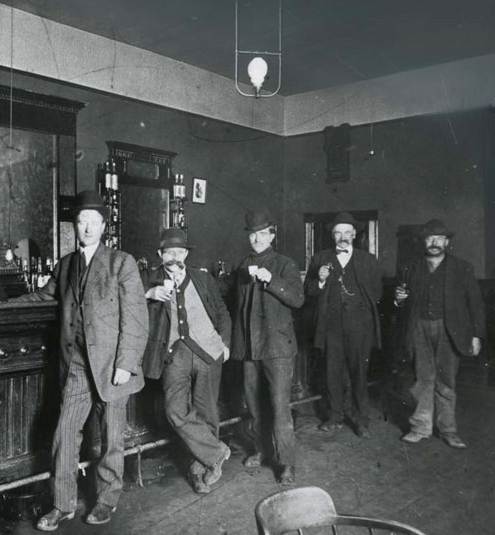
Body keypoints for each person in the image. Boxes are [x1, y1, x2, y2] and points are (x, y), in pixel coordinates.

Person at [17, 190, 148, 530]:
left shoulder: (122, 262)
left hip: (112, 364)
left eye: (94, 221)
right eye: (81, 221)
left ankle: (106, 500)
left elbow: (136, 318)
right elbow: (42, 297)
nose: (87, 227)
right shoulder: (66, 265)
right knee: (64, 431)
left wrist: (126, 363)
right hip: (76, 363)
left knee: (111, 436)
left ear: (104, 226)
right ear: (74, 226)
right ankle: (62, 504)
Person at [141, 228, 232, 494]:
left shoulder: (202, 279)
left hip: (208, 351)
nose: (174, 257)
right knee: (175, 411)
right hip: (173, 355)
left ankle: (201, 472)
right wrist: (149, 294)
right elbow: (123, 292)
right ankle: (216, 453)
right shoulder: (148, 278)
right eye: (169, 252)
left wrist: (225, 343)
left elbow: (222, 311)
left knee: (207, 413)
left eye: (179, 252)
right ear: (160, 254)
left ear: (186, 255)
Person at [395, 219, 485, 448]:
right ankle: (420, 427)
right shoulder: (410, 267)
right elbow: (402, 300)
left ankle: (448, 430)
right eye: (429, 238)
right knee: (422, 378)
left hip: (449, 329)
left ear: (447, 241)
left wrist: (476, 335)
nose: (434, 242)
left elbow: (475, 303)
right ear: (423, 241)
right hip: (419, 328)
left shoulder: (462, 268)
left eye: (439, 238)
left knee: (446, 380)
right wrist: (398, 299)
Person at [230, 210, 305, 487]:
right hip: (250, 348)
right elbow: (236, 306)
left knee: (279, 407)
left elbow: (297, 299)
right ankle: (263, 451)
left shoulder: (284, 264)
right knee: (254, 405)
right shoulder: (242, 265)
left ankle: (287, 464)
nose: (257, 238)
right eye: (252, 233)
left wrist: (270, 280)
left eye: (262, 233)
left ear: (272, 235)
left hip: (278, 348)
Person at [304, 212, 382, 439]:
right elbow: (308, 290)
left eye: (347, 232)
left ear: (355, 235)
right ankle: (334, 416)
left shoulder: (368, 260)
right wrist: (319, 279)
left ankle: (361, 420)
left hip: (360, 326)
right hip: (331, 327)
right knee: (332, 373)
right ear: (332, 235)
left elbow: (377, 293)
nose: (343, 236)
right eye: (338, 232)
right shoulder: (320, 258)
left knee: (359, 373)